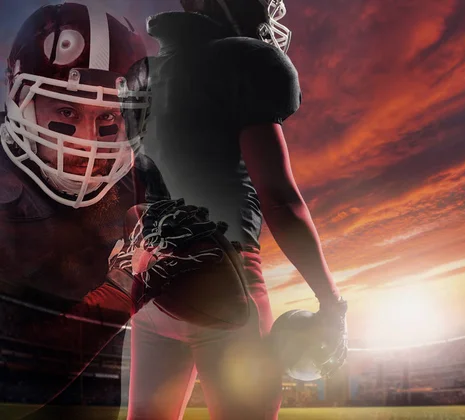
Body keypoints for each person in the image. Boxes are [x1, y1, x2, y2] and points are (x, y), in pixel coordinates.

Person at [122, 1, 348, 419]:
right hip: (224, 283)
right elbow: (280, 201)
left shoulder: (142, 75)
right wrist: (331, 300)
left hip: (151, 286)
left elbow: (140, 194)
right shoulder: (244, 61)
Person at [0, 2, 175, 418]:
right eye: (66, 111)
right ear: (19, 100)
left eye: (109, 118)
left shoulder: (142, 183)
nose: (86, 141)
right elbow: (11, 383)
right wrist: (120, 290)